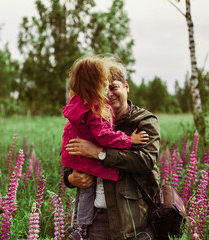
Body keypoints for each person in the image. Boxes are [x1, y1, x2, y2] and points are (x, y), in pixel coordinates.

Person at [64, 55, 161, 240]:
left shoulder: (143, 121)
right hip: (95, 217)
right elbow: (73, 152)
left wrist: (99, 153)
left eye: (114, 87)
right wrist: (71, 177)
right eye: (103, 88)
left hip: (132, 217)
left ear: (126, 87)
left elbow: (145, 161)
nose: (109, 94)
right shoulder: (88, 117)